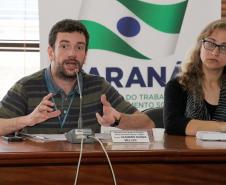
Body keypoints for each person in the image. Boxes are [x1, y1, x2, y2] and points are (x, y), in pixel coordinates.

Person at [0, 19, 154, 136]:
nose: (72, 54)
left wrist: (118, 119)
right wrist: (27, 120)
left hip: (86, 172)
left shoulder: (98, 86)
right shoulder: (27, 86)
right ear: (50, 52)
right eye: (64, 46)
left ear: (85, 55)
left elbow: (147, 123)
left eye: (79, 47)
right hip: (40, 172)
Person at [164, 19, 226, 136]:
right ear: (200, 46)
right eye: (210, 43)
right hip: (189, 153)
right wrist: (222, 126)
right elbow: (173, 125)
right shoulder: (177, 85)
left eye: (224, 47)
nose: (215, 52)